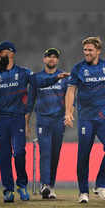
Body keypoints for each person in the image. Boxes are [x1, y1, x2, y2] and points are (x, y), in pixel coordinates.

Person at [0, 41, 69, 203]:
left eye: (0, 52)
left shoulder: (24, 73)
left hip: (17, 120)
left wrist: (55, 78)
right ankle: (8, 190)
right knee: (3, 156)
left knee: (19, 153)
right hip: (1, 121)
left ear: (11, 53)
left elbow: (39, 82)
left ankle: (22, 185)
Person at [65, 37, 105, 203]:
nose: (87, 53)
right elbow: (70, 92)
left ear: (98, 51)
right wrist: (68, 112)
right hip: (86, 119)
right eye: (85, 50)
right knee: (83, 155)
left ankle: (101, 185)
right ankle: (83, 192)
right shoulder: (78, 69)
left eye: (90, 50)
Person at [26, 48, 70, 199]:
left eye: (54, 57)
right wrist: (26, 123)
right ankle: (44, 184)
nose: (52, 59)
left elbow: (70, 98)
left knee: (55, 155)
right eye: (49, 57)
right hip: (43, 120)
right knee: (45, 152)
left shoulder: (65, 78)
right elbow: (30, 101)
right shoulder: (36, 78)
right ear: (44, 59)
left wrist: (69, 114)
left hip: (59, 121)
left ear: (57, 60)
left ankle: (50, 187)